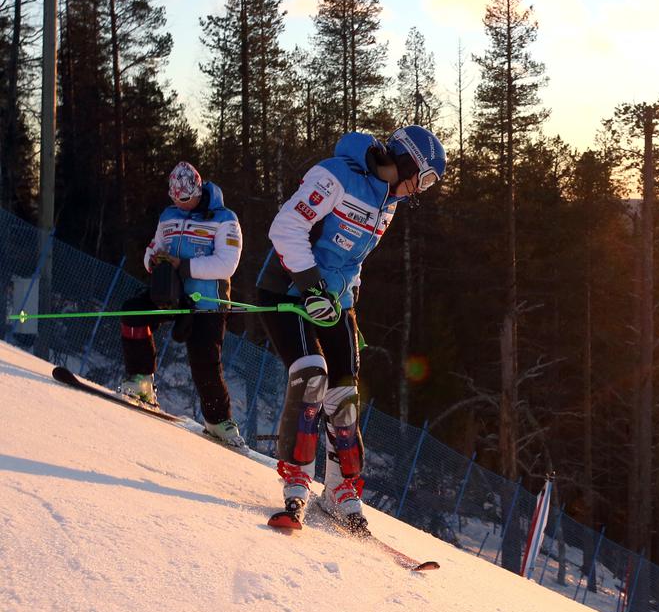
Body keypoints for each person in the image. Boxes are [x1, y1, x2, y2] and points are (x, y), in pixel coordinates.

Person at [257, 125, 445, 530]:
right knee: (312, 376)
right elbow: (286, 228)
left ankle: (341, 490)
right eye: (425, 179)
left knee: (344, 393)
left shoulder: (387, 203)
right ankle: (296, 482)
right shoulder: (335, 177)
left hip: (333, 301)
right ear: (409, 161)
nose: (421, 190)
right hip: (289, 289)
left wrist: (350, 297)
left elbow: (353, 257)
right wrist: (311, 286)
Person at [117, 161, 246, 449]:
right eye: (175, 198)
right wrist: (154, 260)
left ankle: (218, 420)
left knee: (204, 359)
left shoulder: (224, 218)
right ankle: (141, 380)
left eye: (185, 199)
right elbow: (154, 246)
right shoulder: (169, 215)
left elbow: (228, 264)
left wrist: (184, 265)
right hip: (170, 291)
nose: (180, 204)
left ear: (198, 192)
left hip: (207, 299)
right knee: (133, 312)